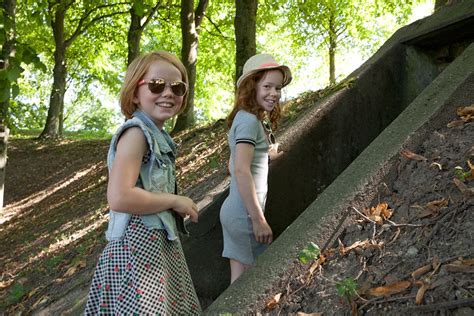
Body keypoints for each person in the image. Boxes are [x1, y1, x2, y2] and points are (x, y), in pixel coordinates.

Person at [84, 51, 201, 315]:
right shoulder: (136, 133)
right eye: (157, 85)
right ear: (135, 93)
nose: (169, 92)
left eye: (178, 87)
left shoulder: (157, 135)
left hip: (156, 244)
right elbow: (120, 197)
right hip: (138, 249)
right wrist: (175, 200)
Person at [220, 53, 292, 283]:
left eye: (278, 88)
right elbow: (240, 170)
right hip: (245, 214)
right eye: (267, 86)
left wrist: (267, 156)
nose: (274, 93)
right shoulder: (249, 121)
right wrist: (258, 220)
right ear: (252, 87)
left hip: (239, 211)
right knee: (253, 284)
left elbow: (239, 165)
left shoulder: (249, 119)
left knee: (239, 281)